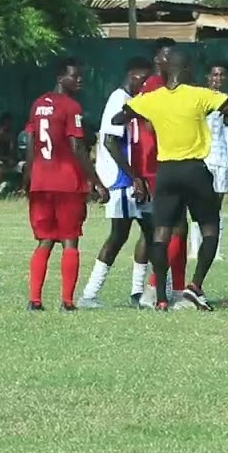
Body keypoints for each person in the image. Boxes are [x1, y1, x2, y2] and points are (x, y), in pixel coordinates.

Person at [112, 48, 228, 311]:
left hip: (167, 172)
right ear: (185, 70)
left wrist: (138, 112)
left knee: (161, 234)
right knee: (210, 229)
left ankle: (161, 297)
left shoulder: (152, 99)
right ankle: (195, 286)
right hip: (195, 170)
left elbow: (119, 118)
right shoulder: (199, 94)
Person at [24, 58, 109, 311]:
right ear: (61, 78)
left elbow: (31, 143)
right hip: (66, 182)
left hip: (41, 180)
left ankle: (35, 300)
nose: (79, 80)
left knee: (45, 240)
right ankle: (67, 302)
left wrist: (29, 176)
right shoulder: (71, 106)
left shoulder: (38, 104)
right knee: (70, 239)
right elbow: (76, 146)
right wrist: (95, 181)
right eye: (75, 76)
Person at [78, 57, 156, 309]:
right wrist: (133, 176)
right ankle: (89, 294)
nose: (146, 83)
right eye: (143, 78)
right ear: (132, 75)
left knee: (151, 232)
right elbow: (110, 141)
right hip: (121, 180)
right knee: (119, 235)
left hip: (134, 178)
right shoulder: (118, 99)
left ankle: (138, 292)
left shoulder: (134, 100)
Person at [129, 37, 190, 307]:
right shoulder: (156, 86)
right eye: (168, 56)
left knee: (171, 228)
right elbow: (151, 127)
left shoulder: (155, 86)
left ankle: (166, 289)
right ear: (158, 60)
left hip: (158, 165)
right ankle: (160, 289)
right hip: (159, 165)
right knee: (173, 228)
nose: (172, 60)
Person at [188, 59, 228, 261]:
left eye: (222, 75)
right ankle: (195, 248)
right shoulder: (200, 98)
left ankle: (215, 249)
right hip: (203, 157)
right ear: (208, 77)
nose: (218, 78)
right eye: (215, 75)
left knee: (216, 205)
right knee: (199, 203)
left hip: (221, 158)